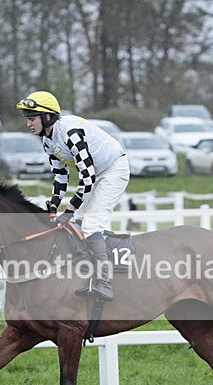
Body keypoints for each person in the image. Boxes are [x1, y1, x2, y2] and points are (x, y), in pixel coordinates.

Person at [16, 90, 129, 301]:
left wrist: (69, 209)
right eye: (28, 119)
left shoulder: (71, 133)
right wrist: (52, 206)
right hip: (95, 174)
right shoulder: (47, 141)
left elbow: (87, 177)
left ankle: (104, 283)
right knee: (76, 224)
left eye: (32, 118)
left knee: (91, 224)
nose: (28, 124)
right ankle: (84, 273)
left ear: (47, 117)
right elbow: (60, 177)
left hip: (114, 169)